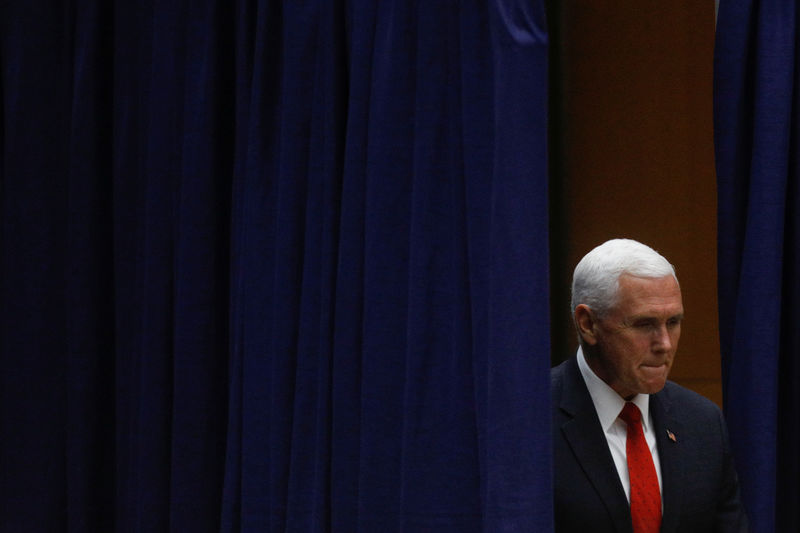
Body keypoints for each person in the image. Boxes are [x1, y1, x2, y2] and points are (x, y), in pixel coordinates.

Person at [551, 239, 748, 532]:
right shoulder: (529, 421)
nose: (665, 344)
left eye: (673, 322)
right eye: (644, 324)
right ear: (588, 323)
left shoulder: (703, 423)